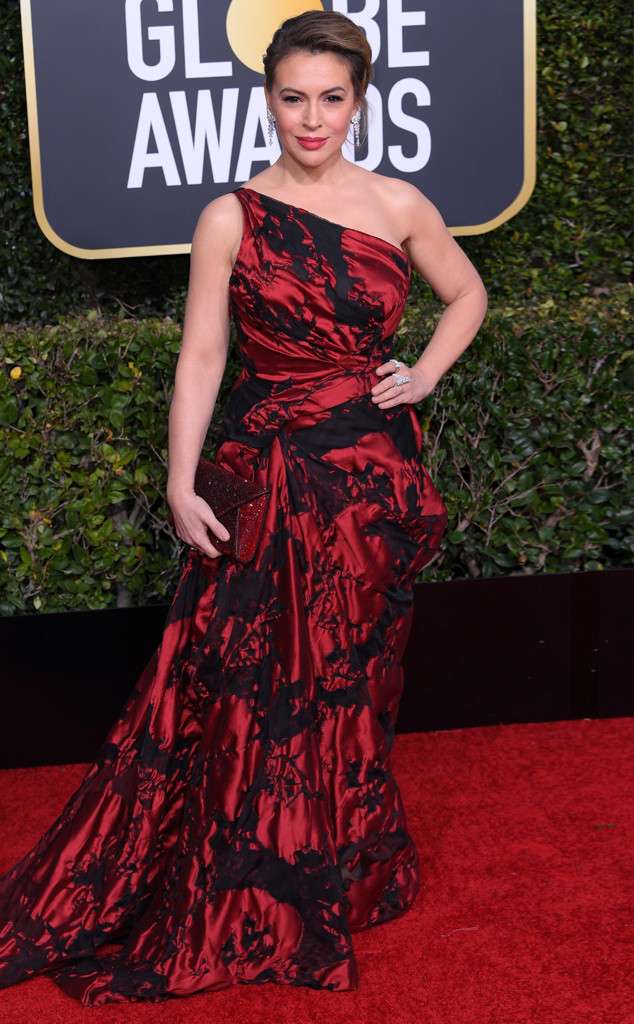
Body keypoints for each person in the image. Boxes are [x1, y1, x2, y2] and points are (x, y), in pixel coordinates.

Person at [0, 10, 487, 1006]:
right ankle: (253, 874)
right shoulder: (230, 216)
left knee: (351, 673)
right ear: (267, 98)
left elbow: (468, 292)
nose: (312, 118)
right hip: (258, 471)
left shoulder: (399, 202)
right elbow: (203, 355)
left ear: (360, 101)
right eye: (293, 97)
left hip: (367, 477)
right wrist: (180, 481)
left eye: (331, 98)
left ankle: (338, 861)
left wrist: (425, 373)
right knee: (238, 676)